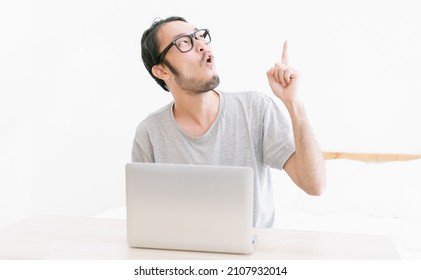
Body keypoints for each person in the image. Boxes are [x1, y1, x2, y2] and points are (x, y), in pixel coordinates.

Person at [132, 16, 326, 228]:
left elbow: (314, 185)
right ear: (162, 70)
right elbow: (146, 219)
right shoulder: (150, 133)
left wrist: (294, 103)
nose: (201, 45)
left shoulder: (256, 109)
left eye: (200, 36)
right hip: (184, 256)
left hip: (253, 256)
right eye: (184, 42)